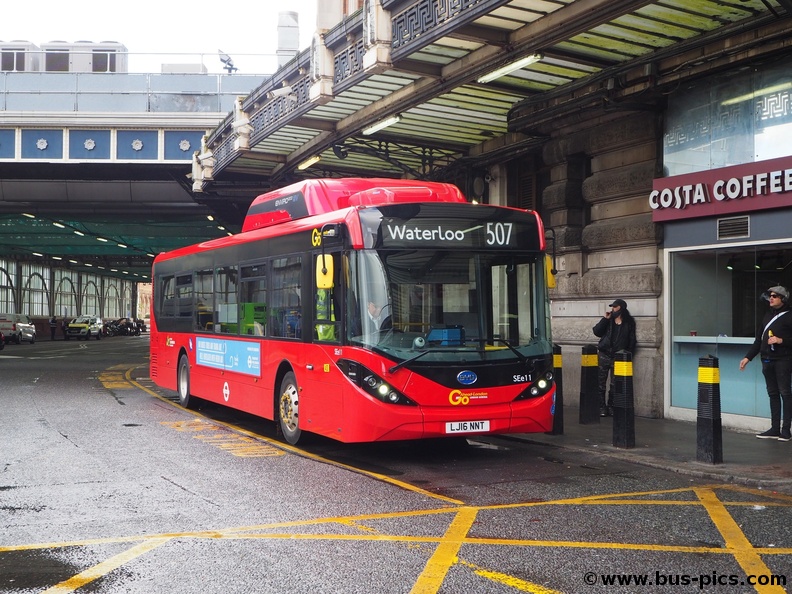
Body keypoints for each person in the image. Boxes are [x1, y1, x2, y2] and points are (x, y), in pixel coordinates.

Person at [739, 286, 792, 441]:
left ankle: (786, 430)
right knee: (773, 394)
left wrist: (781, 340)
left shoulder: (790, 316)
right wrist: (747, 358)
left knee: (785, 393)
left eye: (775, 296)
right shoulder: (767, 315)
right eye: (770, 295)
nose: (771, 298)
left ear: (783, 299)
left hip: (783, 360)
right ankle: (775, 429)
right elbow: (759, 340)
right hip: (767, 359)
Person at [592, 298, 637, 417]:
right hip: (604, 354)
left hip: (619, 357)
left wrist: (628, 355)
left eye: (615, 307)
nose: (613, 309)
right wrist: (604, 319)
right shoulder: (609, 320)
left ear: (622, 308)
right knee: (600, 382)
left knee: (615, 383)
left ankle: (611, 406)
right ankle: (601, 407)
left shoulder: (629, 322)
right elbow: (596, 331)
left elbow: (632, 340)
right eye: (612, 307)